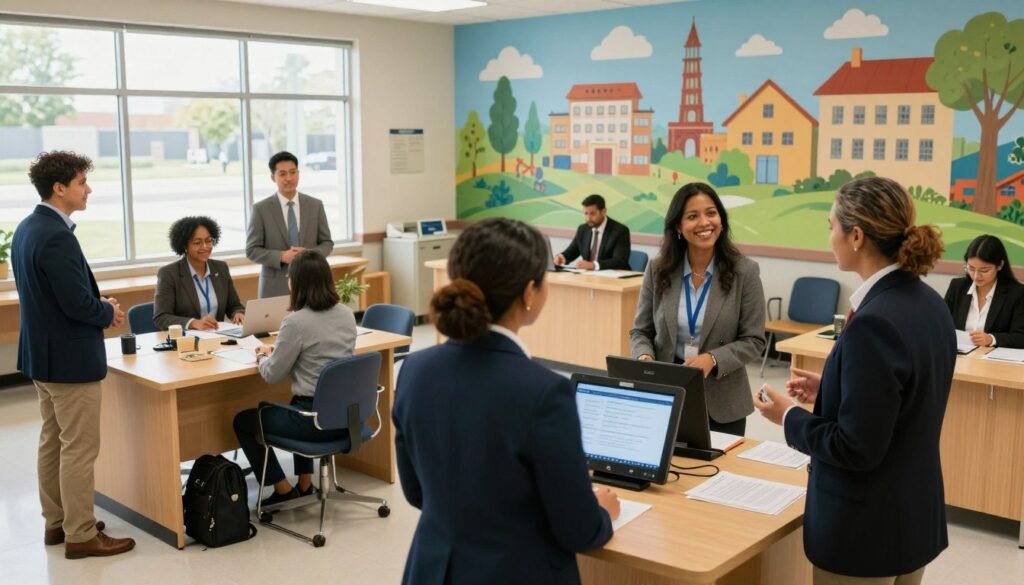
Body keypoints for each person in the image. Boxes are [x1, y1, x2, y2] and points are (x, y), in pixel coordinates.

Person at [394, 217, 619, 584]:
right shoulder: (545, 392)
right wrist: (603, 512)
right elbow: (578, 530)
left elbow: (417, 491)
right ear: (529, 293)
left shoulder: (414, 369)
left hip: (433, 569)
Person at [754, 177, 956, 585]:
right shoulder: (929, 303)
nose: (830, 238)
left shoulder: (874, 323)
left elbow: (856, 448)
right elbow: (904, 401)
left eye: (831, 227)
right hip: (912, 517)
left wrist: (789, 416)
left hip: (865, 530)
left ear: (857, 236)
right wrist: (832, 387)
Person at [13, 151, 135, 559]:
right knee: (79, 448)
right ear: (59, 188)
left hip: (42, 357)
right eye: (82, 183)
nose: (89, 189)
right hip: (69, 361)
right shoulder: (56, 235)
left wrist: (92, 300)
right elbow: (75, 306)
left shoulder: (28, 228)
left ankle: (57, 522)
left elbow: (52, 296)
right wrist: (108, 311)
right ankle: (81, 534)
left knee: (54, 442)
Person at [629, 182, 766, 436]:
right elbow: (641, 331)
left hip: (723, 401)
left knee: (722, 474)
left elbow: (754, 340)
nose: (705, 222)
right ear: (678, 227)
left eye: (711, 213)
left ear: (721, 220)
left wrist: (712, 359)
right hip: (666, 393)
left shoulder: (745, 271)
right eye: (692, 216)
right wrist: (644, 359)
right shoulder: (658, 269)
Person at [233, 250, 356, 505]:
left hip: (313, 422)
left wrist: (261, 356)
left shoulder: (295, 322)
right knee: (295, 402)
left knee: (244, 421)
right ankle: (304, 483)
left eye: (290, 277)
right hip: (346, 417)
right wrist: (280, 351)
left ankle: (282, 489)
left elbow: (271, 374)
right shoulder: (346, 313)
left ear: (297, 282)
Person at [246, 151, 334, 298]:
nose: (289, 178)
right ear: (273, 177)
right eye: (282, 174)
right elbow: (252, 250)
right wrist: (281, 256)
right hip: (274, 288)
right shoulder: (261, 209)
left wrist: (308, 256)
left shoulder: (315, 205)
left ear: (298, 173)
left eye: (293, 172)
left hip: (312, 284)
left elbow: (327, 243)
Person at [153, 216, 245, 331]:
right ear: (184, 246)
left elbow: (234, 305)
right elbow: (161, 317)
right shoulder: (169, 273)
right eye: (197, 243)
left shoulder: (221, 268)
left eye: (209, 240)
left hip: (220, 337)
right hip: (187, 341)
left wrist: (238, 313)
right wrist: (193, 323)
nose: (205, 247)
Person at [943, 234, 1024, 349]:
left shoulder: (1017, 293)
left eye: (984, 270)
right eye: (971, 268)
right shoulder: (957, 287)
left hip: (994, 363)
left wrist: (992, 339)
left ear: (1000, 265)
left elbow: (1021, 337)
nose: (976, 276)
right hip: (959, 357)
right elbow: (941, 324)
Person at [553, 194, 631, 271]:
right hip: (589, 277)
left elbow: (620, 261)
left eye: (592, 214)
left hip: (616, 279)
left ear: (603, 212)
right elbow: (571, 252)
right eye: (586, 213)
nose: (588, 218)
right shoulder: (583, 229)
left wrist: (594, 265)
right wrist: (561, 257)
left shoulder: (620, 231)